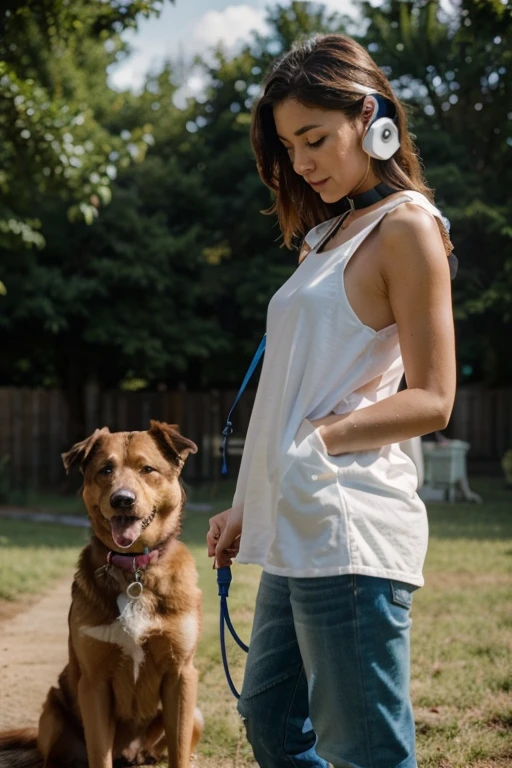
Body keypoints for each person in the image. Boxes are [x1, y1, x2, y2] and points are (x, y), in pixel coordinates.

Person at [206, 33, 456, 768]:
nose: (302, 162)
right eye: (289, 147)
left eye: (314, 138)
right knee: (273, 725)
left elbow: (434, 398)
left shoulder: (406, 227)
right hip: (297, 527)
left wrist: (322, 438)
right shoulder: (326, 237)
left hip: (350, 528)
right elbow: (293, 390)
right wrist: (249, 505)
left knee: (364, 751)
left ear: (370, 117)